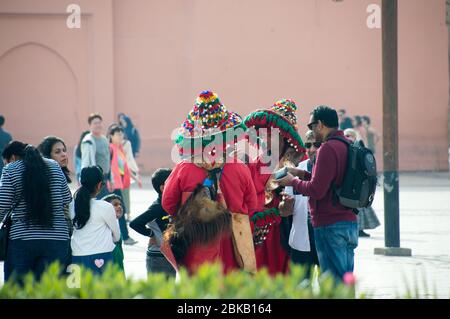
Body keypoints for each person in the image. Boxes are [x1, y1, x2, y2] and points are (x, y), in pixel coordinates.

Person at [162, 90, 258, 274]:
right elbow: (252, 206)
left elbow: (168, 204)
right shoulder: (239, 167)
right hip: (233, 245)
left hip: (195, 242)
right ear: (227, 136)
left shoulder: (184, 168)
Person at [277, 106, 358, 283]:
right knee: (344, 281)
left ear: (320, 124)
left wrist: (292, 181)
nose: (312, 130)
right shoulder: (347, 145)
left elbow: (317, 190)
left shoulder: (328, 148)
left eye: (312, 125)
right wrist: (301, 174)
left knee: (333, 285)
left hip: (330, 225)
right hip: (349, 223)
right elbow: (332, 181)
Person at [243, 99, 306, 275]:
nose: (265, 137)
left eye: (271, 133)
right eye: (264, 133)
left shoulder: (299, 161)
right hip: (256, 227)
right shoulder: (259, 160)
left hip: (285, 229)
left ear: (284, 137)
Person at [0, 141, 72, 282]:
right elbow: (66, 198)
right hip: (57, 239)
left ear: (13, 157)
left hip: (22, 240)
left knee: (19, 290)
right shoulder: (54, 166)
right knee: (50, 290)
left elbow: (2, 205)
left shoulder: (11, 169)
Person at [70, 166, 121, 275]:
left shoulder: (71, 206)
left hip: (75, 258)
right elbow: (117, 236)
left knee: (75, 291)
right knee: (102, 291)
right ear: (99, 185)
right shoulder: (106, 207)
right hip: (103, 257)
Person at [284, 130, 320, 277]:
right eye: (308, 145)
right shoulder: (297, 169)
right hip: (301, 240)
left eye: (316, 145)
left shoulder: (332, 167)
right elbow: (286, 211)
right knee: (301, 288)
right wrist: (286, 205)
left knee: (329, 287)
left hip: (326, 238)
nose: (311, 149)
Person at [130, 168, 176, 277]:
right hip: (158, 257)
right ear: (162, 187)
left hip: (168, 256)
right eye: (172, 182)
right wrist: (151, 234)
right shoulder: (158, 207)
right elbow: (135, 223)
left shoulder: (169, 204)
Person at [344, 129, 380, 237]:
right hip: (351, 185)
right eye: (346, 135)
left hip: (361, 184)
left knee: (361, 209)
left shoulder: (360, 150)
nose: (348, 137)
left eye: (350, 135)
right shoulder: (346, 150)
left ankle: (360, 229)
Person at [38, 136, 74, 240]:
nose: (63, 154)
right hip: (51, 233)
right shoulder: (46, 178)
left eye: (64, 150)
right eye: (57, 152)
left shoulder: (61, 175)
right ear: (47, 156)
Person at [107, 124, 137, 245]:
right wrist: (109, 181)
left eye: (121, 134)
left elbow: (123, 167)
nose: (121, 136)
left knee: (119, 210)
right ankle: (124, 237)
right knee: (118, 210)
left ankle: (123, 237)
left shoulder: (119, 149)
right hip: (112, 185)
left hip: (118, 184)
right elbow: (108, 167)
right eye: (118, 134)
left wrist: (134, 177)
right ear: (111, 136)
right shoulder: (110, 148)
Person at [80, 113, 111, 199]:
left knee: (106, 200)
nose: (98, 125)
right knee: (100, 201)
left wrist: (110, 178)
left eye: (99, 122)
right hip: (96, 178)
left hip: (105, 176)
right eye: (95, 123)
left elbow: (107, 158)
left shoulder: (104, 139)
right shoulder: (88, 141)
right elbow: (85, 161)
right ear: (90, 125)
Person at [101, 194, 125, 273]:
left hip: (118, 261)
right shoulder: (104, 226)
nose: (119, 207)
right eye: (115, 204)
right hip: (111, 263)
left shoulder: (116, 223)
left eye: (120, 204)